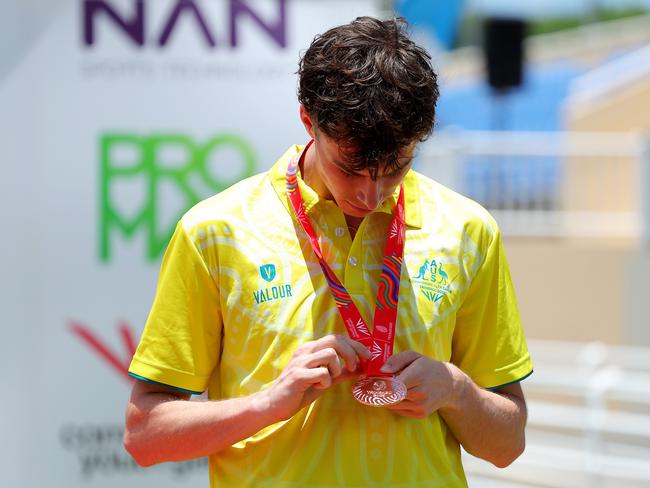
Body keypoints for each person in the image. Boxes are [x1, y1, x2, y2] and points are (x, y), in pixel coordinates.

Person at [124, 16, 533, 487]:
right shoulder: (215, 231)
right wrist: (269, 402)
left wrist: (456, 391)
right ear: (307, 120)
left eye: (396, 167)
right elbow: (145, 435)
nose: (372, 192)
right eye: (351, 168)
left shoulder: (467, 229)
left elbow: (508, 444)